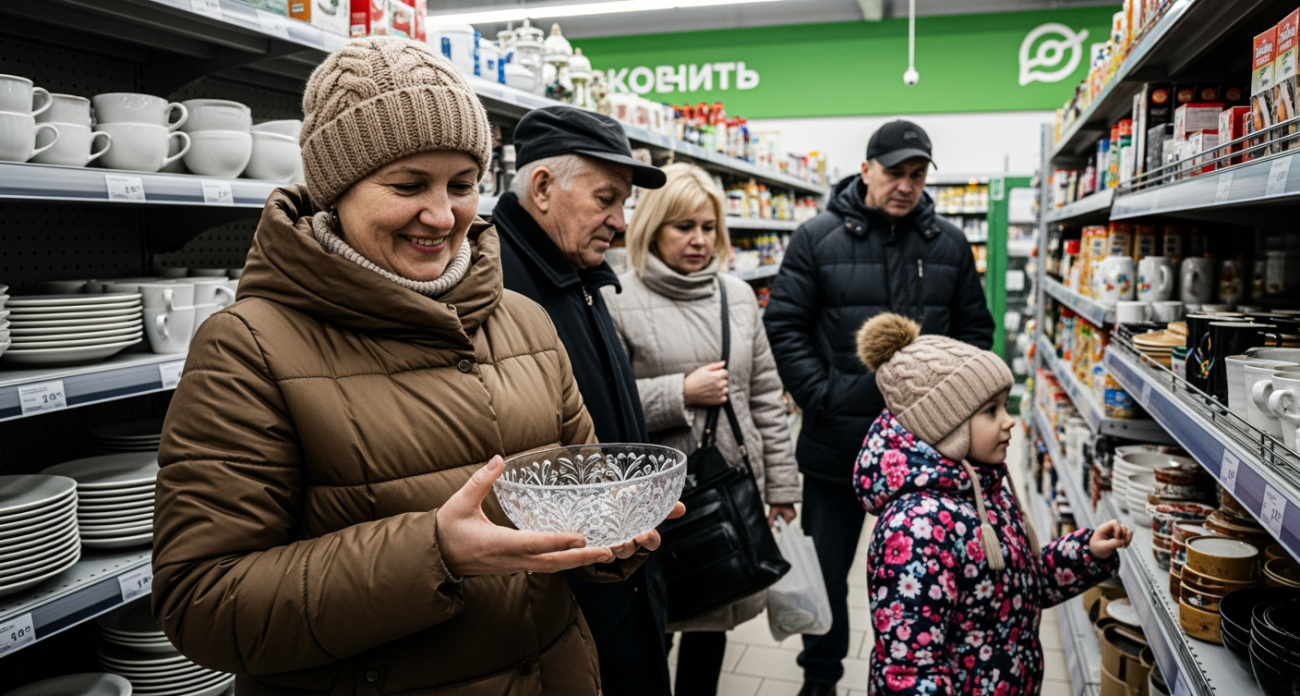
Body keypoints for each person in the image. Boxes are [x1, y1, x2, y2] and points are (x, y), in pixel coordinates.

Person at [150, 38, 681, 696]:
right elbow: (201, 602)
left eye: (462, 185)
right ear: (337, 189)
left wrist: (609, 542)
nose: (442, 214)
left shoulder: (527, 323)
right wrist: (435, 551)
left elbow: (583, 497)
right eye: (407, 185)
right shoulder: (248, 348)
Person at [762, 120, 996, 694]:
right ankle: (820, 678)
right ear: (866, 170)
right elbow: (784, 324)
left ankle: (925, 674)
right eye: (894, 172)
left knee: (929, 572)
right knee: (828, 571)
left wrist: (956, 405)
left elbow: (976, 329)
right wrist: (821, 395)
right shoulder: (816, 238)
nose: (906, 185)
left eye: (917, 174)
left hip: (931, 452)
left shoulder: (948, 243)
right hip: (838, 443)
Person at [492, 105, 673, 696]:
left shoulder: (576, 272)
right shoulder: (496, 286)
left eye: (624, 203)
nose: (620, 221)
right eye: (606, 199)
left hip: (618, 568)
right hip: (567, 593)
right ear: (543, 188)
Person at [854, 313, 1132, 695]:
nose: (1009, 420)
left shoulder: (984, 488)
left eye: (1004, 405)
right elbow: (910, 671)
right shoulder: (917, 529)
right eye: (991, 410)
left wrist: (1085, 553)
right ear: (944, 426)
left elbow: (1015, 589)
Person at [603, 163, 801, 696]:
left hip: (731, 489)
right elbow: (601, 410)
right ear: (652, 227)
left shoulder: (737, 296)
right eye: (684, 226)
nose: (699, 240)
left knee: (715, 616)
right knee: (656, 626)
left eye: (709, 227)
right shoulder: (616, 298)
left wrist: (783, 489)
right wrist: (680, 392)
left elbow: (765, 396)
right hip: (655, 502)